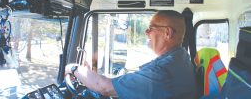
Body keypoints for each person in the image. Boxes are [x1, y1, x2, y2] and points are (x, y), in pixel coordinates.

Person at [65, 10, 197, 99]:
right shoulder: (180, 58)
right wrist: (93, 78)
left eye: (151, 28)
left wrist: (73, 68)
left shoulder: (163, 70)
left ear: (167, 33)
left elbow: (103, 87)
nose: (146, 32)